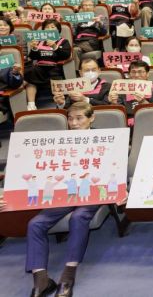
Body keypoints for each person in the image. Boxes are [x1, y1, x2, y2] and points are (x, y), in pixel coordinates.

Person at [25, 102, 105, 297]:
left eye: (79, 118)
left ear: (91, 118)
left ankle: (68, 276)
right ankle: (40, 280)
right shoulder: (58, 142)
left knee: (78, 218)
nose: (74, 123)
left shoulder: (104, 139)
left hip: (91, 192)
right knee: (35, 224)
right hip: (63, 193)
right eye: (70, 119)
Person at [24, 19, 72, 111]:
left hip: (55, 68)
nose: (49, 29)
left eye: (52, 27)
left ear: (58, 30)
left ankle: (60, 105)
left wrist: (54, 46)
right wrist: (34, 48)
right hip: (40, 67)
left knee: (34, 74)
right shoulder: (40, 41)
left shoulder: (63, 41)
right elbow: (33, 57)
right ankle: (31, 104)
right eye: (47, 27)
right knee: (31, 73)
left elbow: (66, 55)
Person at [108, 60, 153, 125]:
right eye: (133, 72)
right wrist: (114, 103)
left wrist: (143, 102)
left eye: (140, 72)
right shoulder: (121, 89)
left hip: (150, 122)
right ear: (129, 74)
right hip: (126, 124)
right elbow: (118, 115)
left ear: (147, 74)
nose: (136, 75)